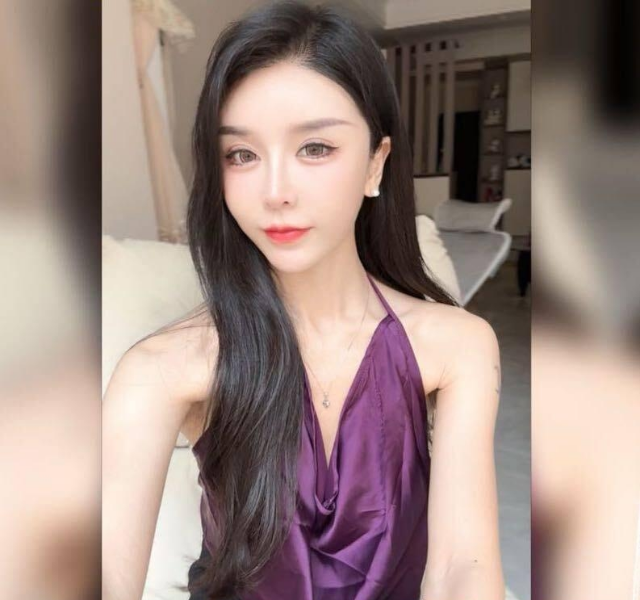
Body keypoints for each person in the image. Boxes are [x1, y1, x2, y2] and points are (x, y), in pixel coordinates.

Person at [103, 2, 505, 599]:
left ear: (376, 164)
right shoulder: (162, 369)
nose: (275, 192)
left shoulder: (457, 344)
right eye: (241, 154)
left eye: (315, 147)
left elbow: (460, 570)